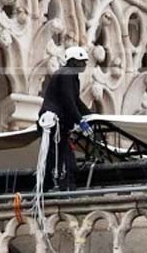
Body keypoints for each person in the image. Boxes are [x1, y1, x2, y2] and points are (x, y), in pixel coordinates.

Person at [38, 46, 92, 191]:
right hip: (53, 122)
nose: (85, 65)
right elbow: (68, 100)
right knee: (55, 157)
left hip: (60, 125)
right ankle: (51, 185)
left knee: (63, 157)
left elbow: (75, 101)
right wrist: (81, 120)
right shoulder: (66, 73)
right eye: (82, 62)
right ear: (73, 62)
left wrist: (90, 114)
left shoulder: (71, 76)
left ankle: (58, 185)